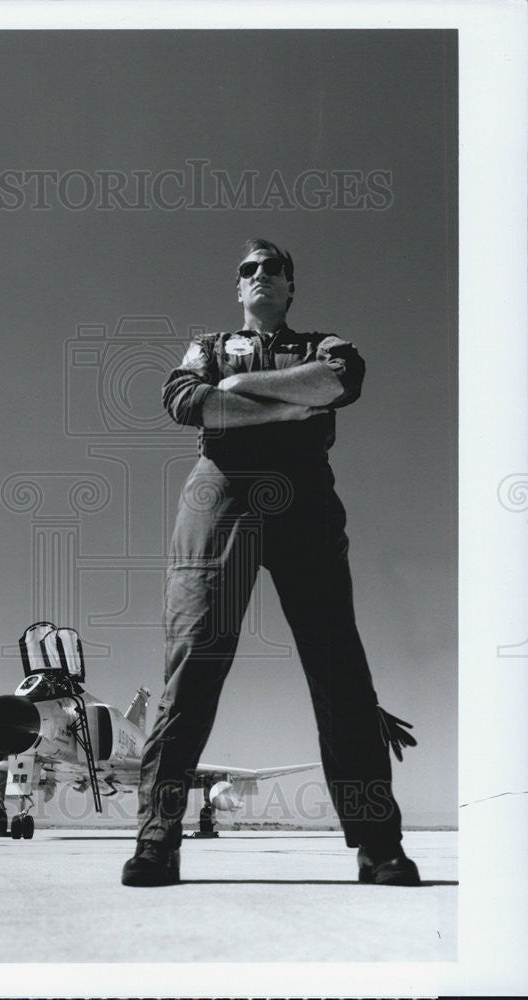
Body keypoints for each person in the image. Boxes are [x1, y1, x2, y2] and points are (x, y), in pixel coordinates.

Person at [121, 238, 420, 888]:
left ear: (289, 286)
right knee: (192, 660)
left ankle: (378, 845)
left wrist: (242, 389)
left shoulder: (323, 341)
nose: (259, 276)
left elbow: (340, 380)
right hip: (218, 490)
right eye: (247, 270)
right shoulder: (205, 346)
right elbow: (186, 401)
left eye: (271, 269)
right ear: (238, 288)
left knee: (338, 666)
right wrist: (292, 404)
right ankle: (155, 840)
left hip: (303, 494)